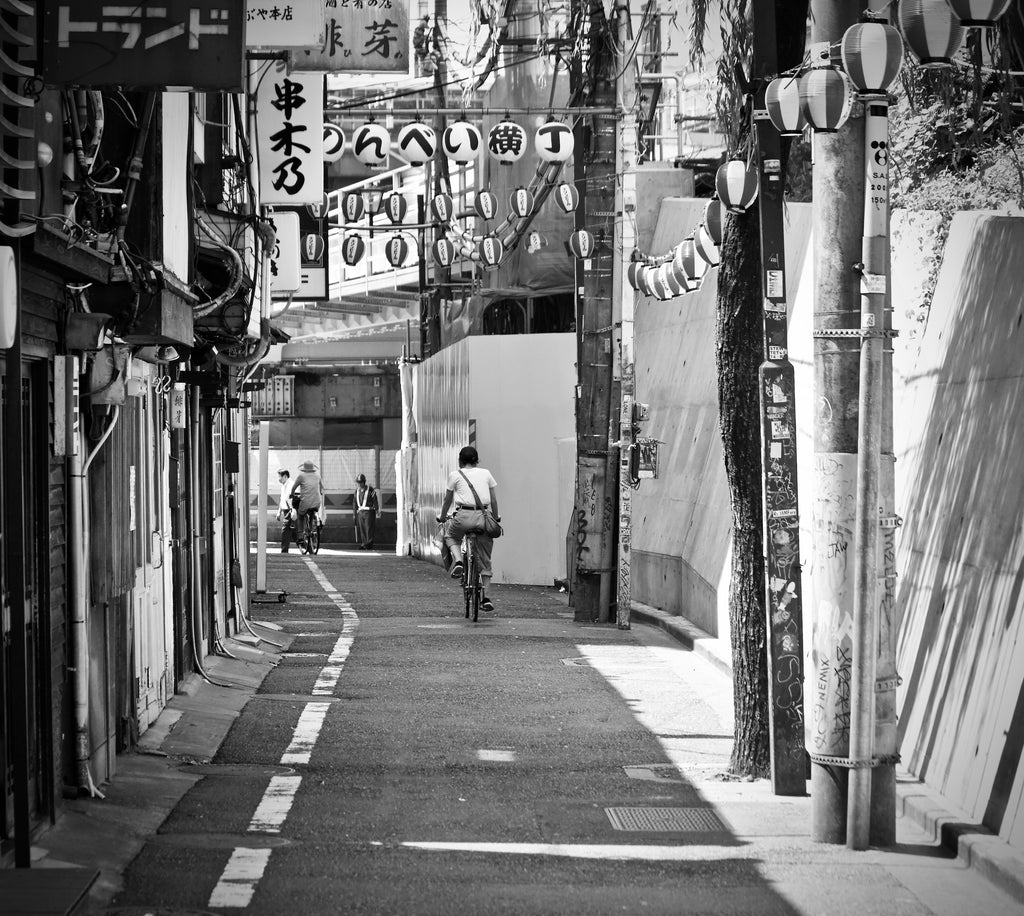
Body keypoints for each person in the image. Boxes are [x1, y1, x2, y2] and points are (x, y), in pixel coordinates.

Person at [437, 446, 499, 613]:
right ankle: (485, 597)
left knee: (450, 536)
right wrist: (496, 518)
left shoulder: (455, 475)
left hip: (463, 516)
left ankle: (458, 561)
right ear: (476, 460)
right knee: (485, 559)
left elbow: (447, 500)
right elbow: (493, 499)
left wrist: (443, 517)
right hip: (484, 517)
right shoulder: (486, 473)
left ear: (460, 460)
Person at [291, 459, 325, 547]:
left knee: (300, 516)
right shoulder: (317, 476)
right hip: (317, 502)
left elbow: (293, 488)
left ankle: (300, 537)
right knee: (311, 514)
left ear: (304, 469)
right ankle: (311, 531)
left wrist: (292, 495)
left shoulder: (301, 476)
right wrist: (320, 493)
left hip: (305, 502)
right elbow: (322, 488)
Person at [353, 473, 379, 549]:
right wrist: (354, 514)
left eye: (360, 482)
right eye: (358, 482)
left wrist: (377, 510)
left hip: (369, 512)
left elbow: (375, 500)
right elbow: (354, 503)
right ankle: (364, 543)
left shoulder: (370, 490)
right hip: (360, 512)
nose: (359, 484)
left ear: (364, 482)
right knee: (362, 529)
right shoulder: (356, 491)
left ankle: (369, 544)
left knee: (369, 528)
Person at [276, 469, 295, 553]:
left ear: (285, 476)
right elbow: (282, 500)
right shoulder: (283, 486)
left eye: (279, 477)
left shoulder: (291, 484)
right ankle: (307, 547)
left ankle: (284, 551)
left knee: (285, 530)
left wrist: (292, 510)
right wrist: (279, 512)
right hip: (286, 510)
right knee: (293, 531)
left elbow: (289, 498)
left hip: (290, 510)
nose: (278, 479)